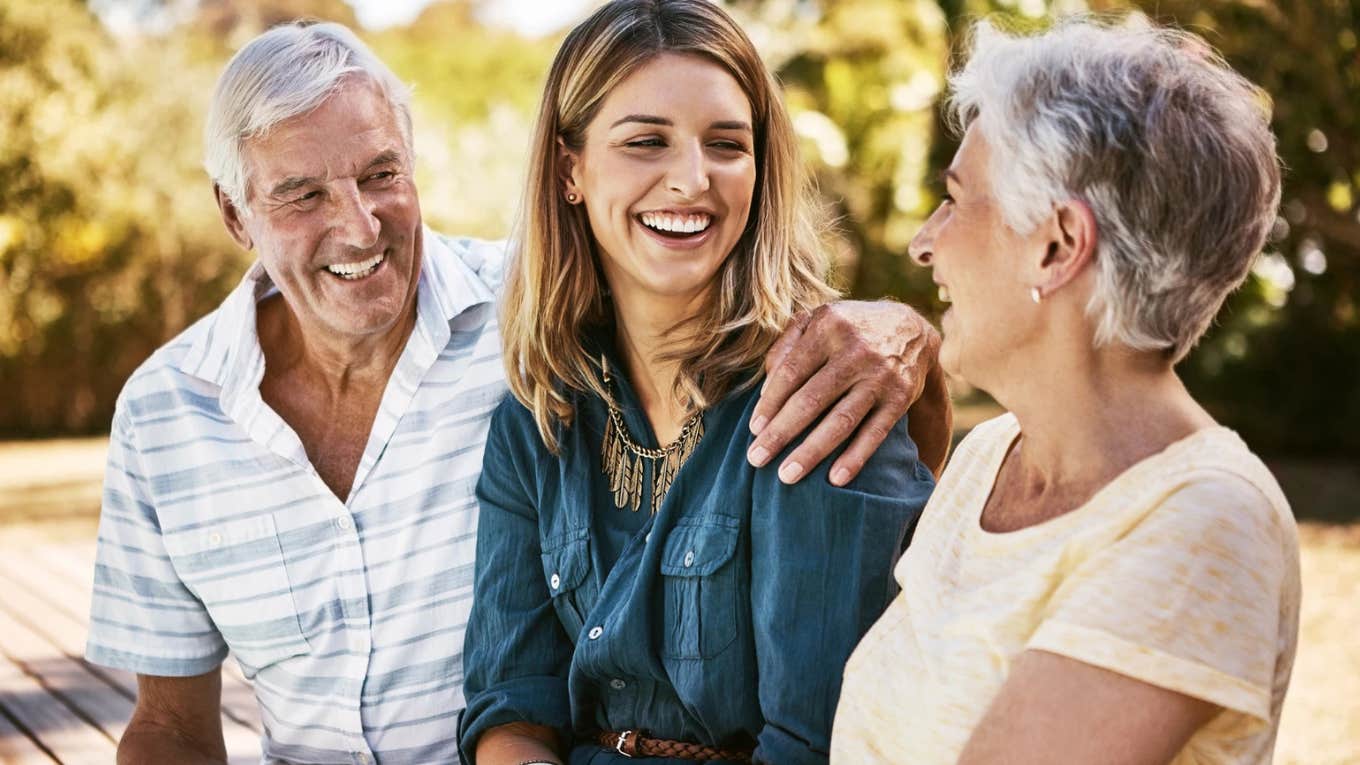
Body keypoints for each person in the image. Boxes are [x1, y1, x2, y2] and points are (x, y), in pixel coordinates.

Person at [84, 19, 947, 765]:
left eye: (382, 175)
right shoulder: (166, 413)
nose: (357, 225)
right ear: (236, 215)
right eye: (303, 194)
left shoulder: (538, 327)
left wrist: (907, 330)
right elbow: (170, 724)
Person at [457, 3, 940, 764]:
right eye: (646, 141)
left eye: (727, 145)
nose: (691, 180)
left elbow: (820, 743)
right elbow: (513, 702)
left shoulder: (818, 391)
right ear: (569, 170)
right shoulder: (538, 415)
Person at [831, 16, 1301, 765]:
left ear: (1056, 246)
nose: (925, 240)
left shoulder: (1205, 518)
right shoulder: (988, 458)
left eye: (955, 200)